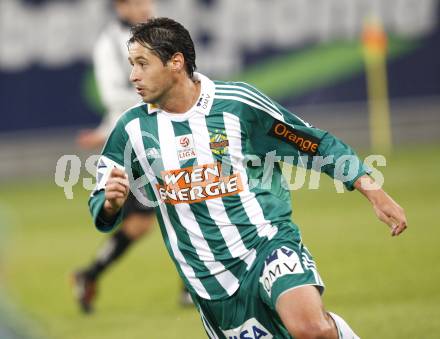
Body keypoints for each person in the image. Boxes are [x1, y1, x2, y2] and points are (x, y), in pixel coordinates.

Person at [88, 17, 408, 338]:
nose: (133, 76)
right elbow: (99, 204)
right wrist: (111, 203)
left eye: (142, 64)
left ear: (176, 63)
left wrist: (371, 189)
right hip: (209, 282)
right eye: (131, 64)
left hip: (266, 243)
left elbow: (313, 144)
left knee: (310, 329)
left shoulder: (237, 104)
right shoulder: (130, 129)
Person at [73, 1, 192, 314]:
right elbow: (115, 97)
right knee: (164, 209)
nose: (144, 7)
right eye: (136, 2)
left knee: (178, 203)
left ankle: (89, 275)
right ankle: (89, 274)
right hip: (140, 141)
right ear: (121, 7)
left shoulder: (166, 33)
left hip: (171, 129)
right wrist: (110, 130)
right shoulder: (109, 44)